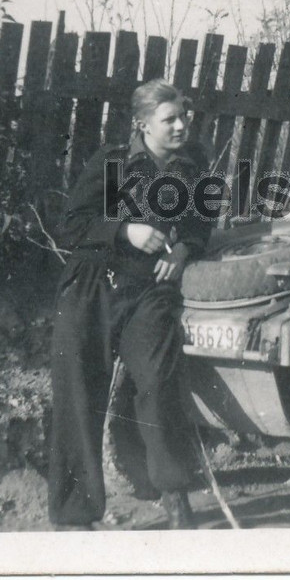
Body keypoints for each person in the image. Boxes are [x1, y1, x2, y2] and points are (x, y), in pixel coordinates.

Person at [48, 80, 211, 530]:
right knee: (78, 388)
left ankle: (174, 493)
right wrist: (126, 229)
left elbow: (200, 223)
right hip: (94, 284)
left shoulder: (192, 168)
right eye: (170, 119)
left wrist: (183, 251)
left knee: (158, 381)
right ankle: (75, 515)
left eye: (183, 116)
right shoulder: (113, 162)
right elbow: (73, 225)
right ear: (143, 124)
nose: (181, 125)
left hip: (149, 291)